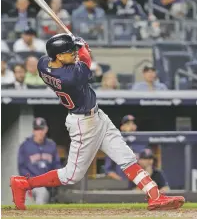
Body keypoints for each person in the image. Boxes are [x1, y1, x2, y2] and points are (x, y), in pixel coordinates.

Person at [10, 33, 185, 211]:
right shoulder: (70, 78)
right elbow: (85, 60)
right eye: (69, 52)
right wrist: (83, 47)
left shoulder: (43, 64)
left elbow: (72, 57)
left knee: (127, 158)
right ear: (59, 56)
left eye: (73, 51)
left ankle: (154, 196)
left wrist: (73, 43)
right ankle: (24, 183)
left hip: (98, 117)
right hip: (83, 124)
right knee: (71, 176)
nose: (73, 53)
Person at [18, 118, 61, 204]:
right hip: (31, 184)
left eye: (41, 129)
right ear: (33, 131)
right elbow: (21, 167)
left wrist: (53, 179)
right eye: (37, 129)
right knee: (41, 193)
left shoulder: (51, 145)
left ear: (46, 130)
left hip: (48, 184)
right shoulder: (25, 146)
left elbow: (56, 165)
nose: (39, 132)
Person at [105, 114, 146, 181]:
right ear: (122, 127)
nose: (131, 126)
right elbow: (108, 170)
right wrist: (121, 181)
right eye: (127, 124)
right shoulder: (115, 144)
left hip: (140, 182)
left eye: (133, 124)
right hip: (122, 182)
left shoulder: (141, 143)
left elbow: (149, 165)